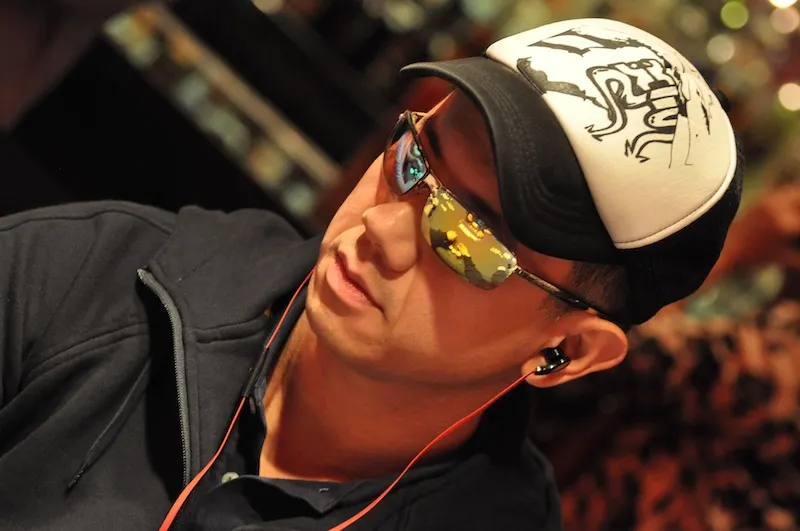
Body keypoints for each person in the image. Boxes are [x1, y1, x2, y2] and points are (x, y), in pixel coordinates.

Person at [0, 13, 743, 531]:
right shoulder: (99, 277)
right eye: (413, 159)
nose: (383, 228)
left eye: (468, 236)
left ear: (568, 350)